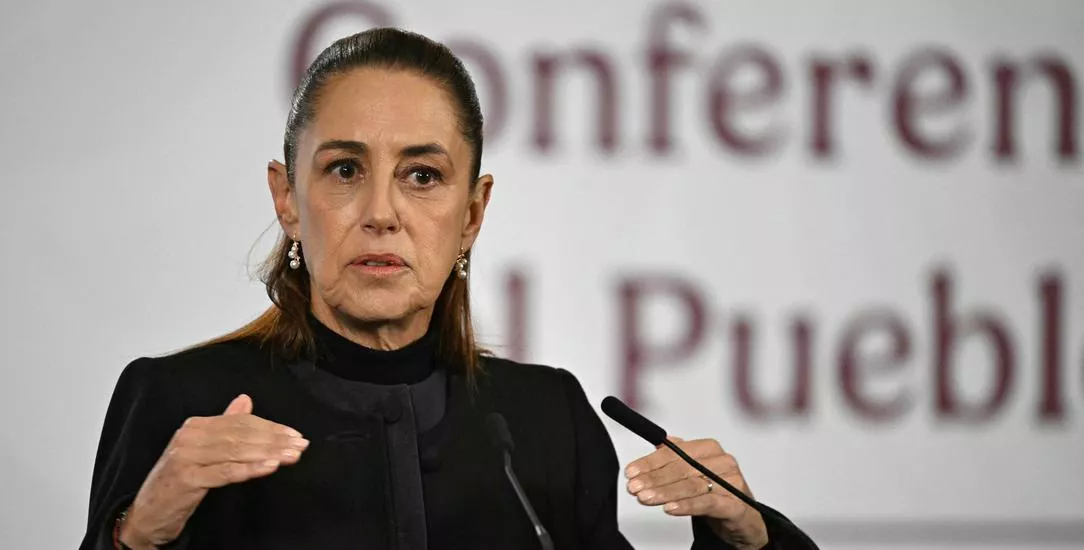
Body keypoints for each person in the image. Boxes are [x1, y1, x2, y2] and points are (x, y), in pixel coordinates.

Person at [79, 28, 816, 550]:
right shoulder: (180, 403)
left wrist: (747, 539)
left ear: (471, 214)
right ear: (287, 199)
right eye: (344, 170)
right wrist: (136, 537)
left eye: (422, 175)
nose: (381, 213)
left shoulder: (545, 419)